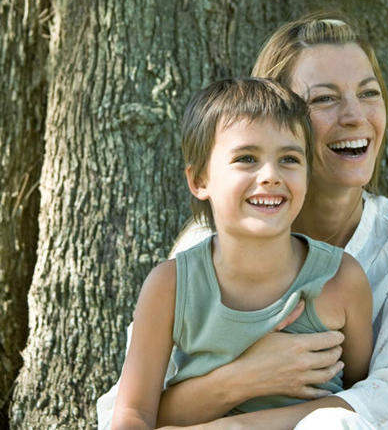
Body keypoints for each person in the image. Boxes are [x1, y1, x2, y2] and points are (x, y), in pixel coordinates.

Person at [99, 10, 388, 430]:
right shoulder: (202, 252)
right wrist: (243, 378)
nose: (355, 115)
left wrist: (236, 427)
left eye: (369, 93)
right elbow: (122, 410)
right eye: (323, 98)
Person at [110, 77, 373, 430]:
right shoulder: (170, 287)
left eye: (289, 159)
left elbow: (368, 403)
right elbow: (133, 416)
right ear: (199, 180)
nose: (270, 176)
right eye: (247, 158)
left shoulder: (340, 281)